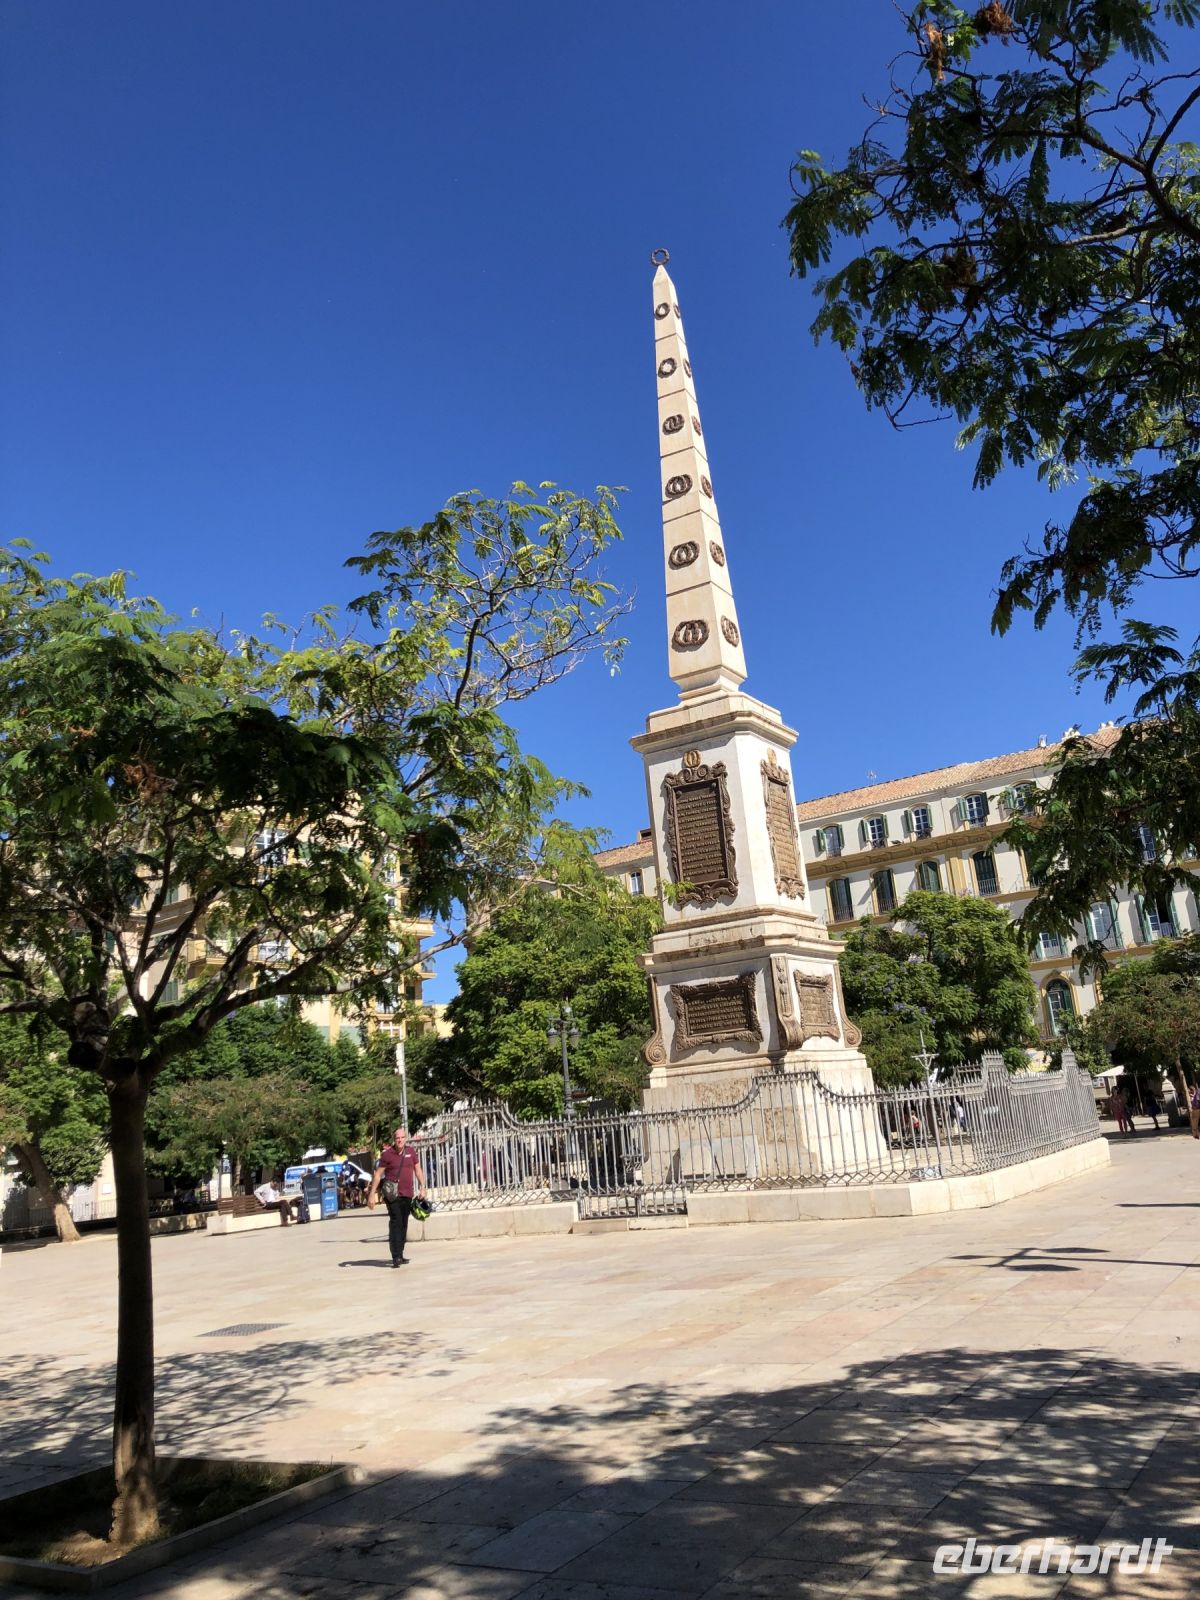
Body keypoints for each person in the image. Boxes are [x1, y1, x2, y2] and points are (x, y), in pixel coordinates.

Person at [367, 1127, 427, 1267]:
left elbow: (417, 1170)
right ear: (394, 1139)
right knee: (396, 1222)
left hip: (407, 1194)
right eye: (397, 1138)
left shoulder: (411, 1152)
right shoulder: (388, 1155)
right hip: (392, 1195)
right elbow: (377, 1174)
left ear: (405, 1138)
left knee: (404, 1224)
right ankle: (395, 1256)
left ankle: (400, 1253)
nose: (399, 1140)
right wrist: (371, 1194)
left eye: (402, 1137)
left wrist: (423, 1187)